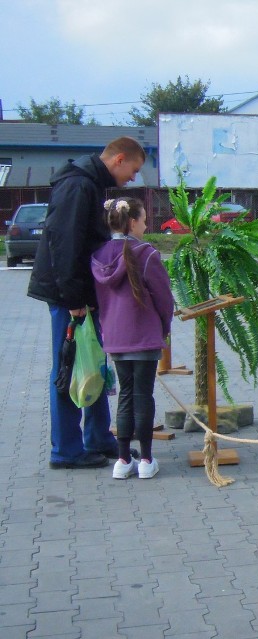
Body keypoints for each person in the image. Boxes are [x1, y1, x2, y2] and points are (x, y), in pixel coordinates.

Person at [28, 137, 146, 469]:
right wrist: (75, 300)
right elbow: (64, 244)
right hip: (69, 296)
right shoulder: (77, 185)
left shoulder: (90, 183)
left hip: (83, 295)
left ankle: (98, 438)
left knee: (94, 364)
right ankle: (65, 450)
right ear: (119, 159)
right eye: (133, 170)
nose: (134, 178)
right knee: (69, 368)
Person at [92, 197, 173, 479]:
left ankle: (123, 460)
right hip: (144, 335)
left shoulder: (99, 255)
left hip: (115, 337)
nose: (147, 224)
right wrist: (164, 327)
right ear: (132, 222)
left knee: (125, 396)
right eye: (143, 219)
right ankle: (147, 460)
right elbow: (164, 298)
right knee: (143, 395)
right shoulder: (146, 253)